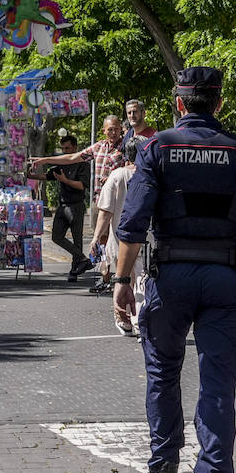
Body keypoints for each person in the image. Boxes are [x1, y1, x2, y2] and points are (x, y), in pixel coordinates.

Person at [114, 67, 236, 473]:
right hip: (226, 278)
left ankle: (165, 470)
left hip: (170, 278)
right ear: (220, 103)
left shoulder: (157, 148)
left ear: (178, 104)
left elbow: (131, 224)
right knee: (218, 384)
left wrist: (122, 282)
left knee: (163, 372)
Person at [33, 115, 128, 232]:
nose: (113, 133)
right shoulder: (99, 146)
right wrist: (45, 160)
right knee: (99, 239)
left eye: (116, 129)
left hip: (118, 202)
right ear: (104, 131)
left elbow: (132, 169)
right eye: (110, 129)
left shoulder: (126, 147)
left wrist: (113, 178)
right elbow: (72, 158)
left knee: (116, 239)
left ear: (121, 129)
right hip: (99, 200)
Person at [91, 136, 143, 334]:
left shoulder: (117, 176)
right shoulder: (151, 175)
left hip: (119, 240)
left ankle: (123, 318)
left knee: (121, 280)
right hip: (145, 240)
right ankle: (139, 320)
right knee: (141, 282)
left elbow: (105, 212)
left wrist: (96, 237)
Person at [31, 131, 92, 280]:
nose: (65, 151)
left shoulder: (82, 164)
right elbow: (48, 176)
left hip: (76, 206)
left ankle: (74, 272)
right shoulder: (61, 163)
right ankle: (83, 259)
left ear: (75, 148)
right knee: (56, 236)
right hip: (62, 206)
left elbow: (82, 186)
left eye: (68, 148)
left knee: (77, 240)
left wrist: (65, 180)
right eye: (63, 149)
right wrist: (30, 175)